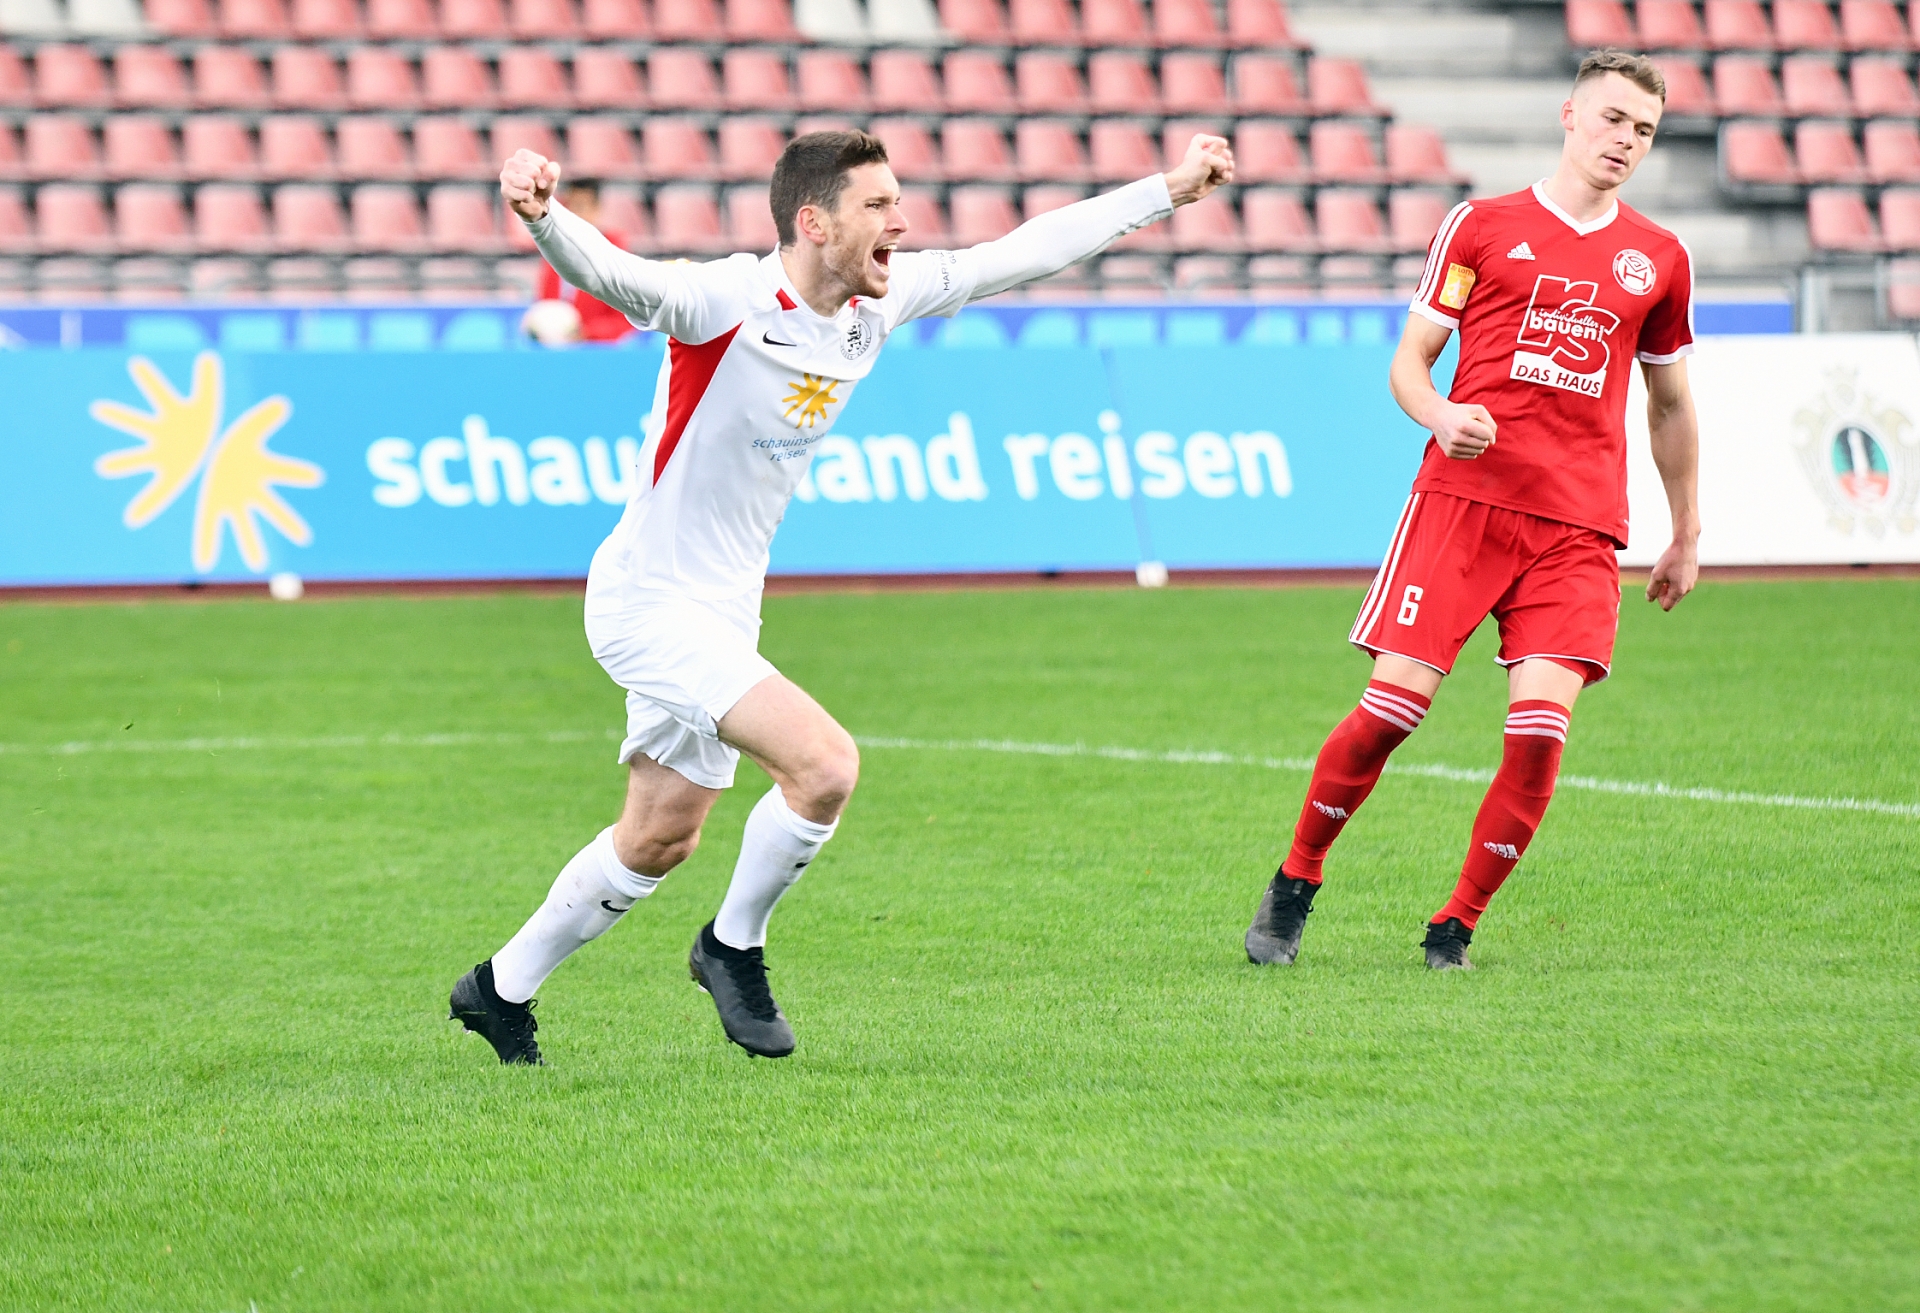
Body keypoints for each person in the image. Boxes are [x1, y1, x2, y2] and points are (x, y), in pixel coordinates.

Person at [452, 129, 1236, 1063]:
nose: (900, 223)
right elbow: (625, 279)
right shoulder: (723, 303)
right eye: (878, 206)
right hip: (646, 603)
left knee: (660, 834)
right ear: (814, 221)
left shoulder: (879, 300)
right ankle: (730, 947)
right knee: (823, 767)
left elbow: (1019, 252)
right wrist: (546, 218)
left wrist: (1168, 191)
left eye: (898, 203)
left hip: (724, 608)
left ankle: (498, 990)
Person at [1243, 49, 1701, 972]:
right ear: (1569, 114)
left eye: (1644, 130)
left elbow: (1669, 404)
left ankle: (1454, 927)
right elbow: (1410, 361)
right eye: (1613, 118)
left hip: (1578, 526)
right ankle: (1297, 877)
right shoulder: (1481, 227)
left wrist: (1686, 529)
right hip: (1463, 505)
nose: (1626, 140)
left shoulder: (1658, 259)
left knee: (1537, 739)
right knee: (1390, 712)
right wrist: (1442, 412)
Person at [525, 180, 636, 344]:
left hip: (598, 354)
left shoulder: (616, 256)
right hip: (558, 353)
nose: (574, 215)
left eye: (581, 207)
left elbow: (626, 320)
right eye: (570, 207)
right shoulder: (553, 253)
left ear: (596, 209)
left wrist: (586, 333)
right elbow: (545, 304)